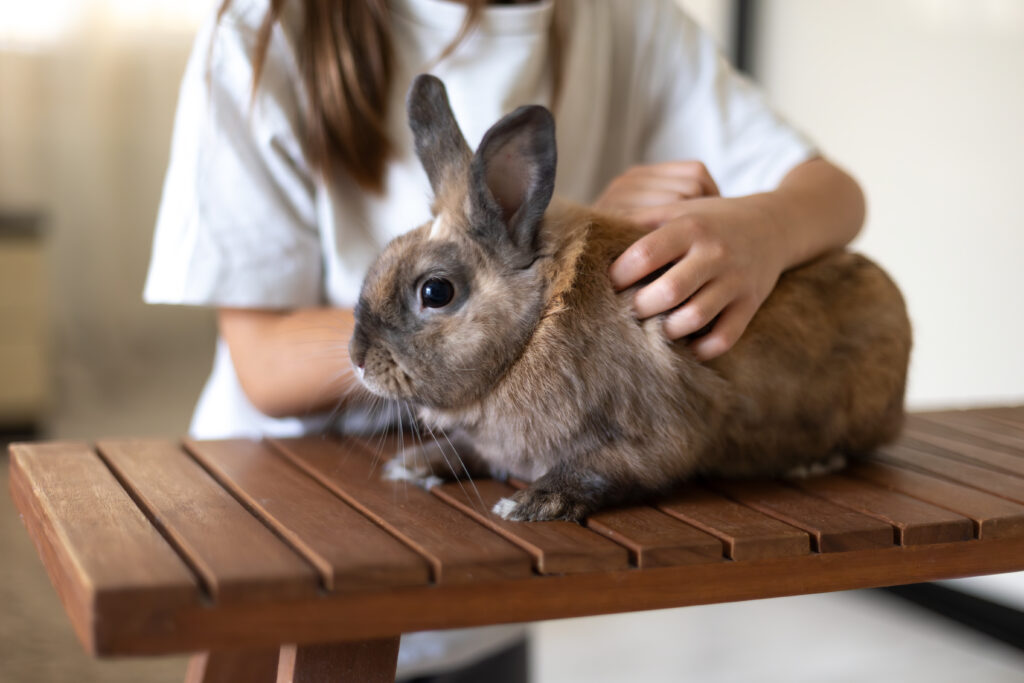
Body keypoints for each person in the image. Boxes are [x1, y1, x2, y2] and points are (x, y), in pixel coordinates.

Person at [145, 0, 865, 678]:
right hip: (284, 538)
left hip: (488, 546)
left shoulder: (625, 19)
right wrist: (557, 270)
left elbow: (834, 191)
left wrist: (762, 228)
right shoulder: (266, 30)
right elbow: (264, 362)